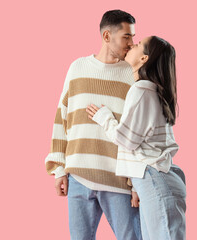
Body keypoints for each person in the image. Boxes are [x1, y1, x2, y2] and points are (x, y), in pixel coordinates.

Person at [45, 10, 143, 240]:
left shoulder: (133, 75)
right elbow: (62, 117)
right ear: (107, 36)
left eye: (133, 37)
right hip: (78, 176)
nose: (132, 43)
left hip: (118, 181)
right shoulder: (77, 68)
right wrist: (59, 168)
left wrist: (137, 183)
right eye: (126, 37)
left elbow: (137, 132)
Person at [86, 36, 186, 240]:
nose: (132, 44)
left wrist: (104, 117)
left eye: (139, 44)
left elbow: (127, 140)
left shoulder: (141, 90)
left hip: (155, 176)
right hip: (156, 177)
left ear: (144, 59)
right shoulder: (154, 92)